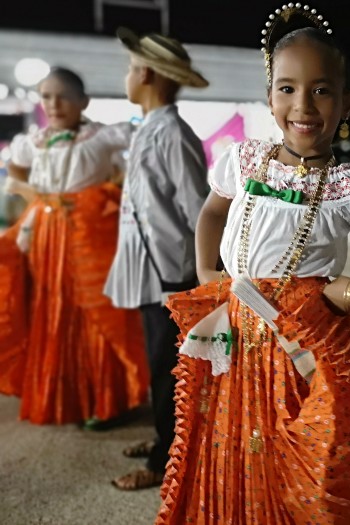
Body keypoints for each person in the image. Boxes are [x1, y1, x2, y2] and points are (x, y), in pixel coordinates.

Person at [154, 6, 350, 523]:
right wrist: (206, 272)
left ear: (345, 102)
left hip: (306, 340)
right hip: (236, 333)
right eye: (287, 89)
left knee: (306, 448)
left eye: (321, 90)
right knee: (234, 439)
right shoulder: (240, 160)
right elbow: (211, 214)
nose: (303, 105)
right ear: (269, 97)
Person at [0, 68, 148, 427]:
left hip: (91, 238)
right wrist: (41, 199)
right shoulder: (29, 143)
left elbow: (136, 165)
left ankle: (105, 400)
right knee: (51, 311)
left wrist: (94, 199)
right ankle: (64, 400)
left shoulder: (101, 138)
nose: (54, 104)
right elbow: (14, 184)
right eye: (46, 96)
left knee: (94, 313)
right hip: (46, 239)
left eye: (63, 95)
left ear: (83, 101)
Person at [105, 28, 211, 490]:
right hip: (151, 270)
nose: (127, 77)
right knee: (157, 363)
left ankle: (164, 461)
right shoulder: (151, 128)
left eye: (130, 68)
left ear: (146, 73)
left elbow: (198, 209)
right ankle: (160, 439)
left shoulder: (172, 132)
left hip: (168, 272)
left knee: (167, 369)